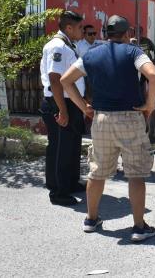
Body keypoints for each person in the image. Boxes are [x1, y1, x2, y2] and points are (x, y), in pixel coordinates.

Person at [60, 15, 155, 242]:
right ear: (126, 34)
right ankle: (138, 227)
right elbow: (153, 76)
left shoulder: (91, 54)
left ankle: (91, 220)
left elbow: (66, 80)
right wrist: (150, 105)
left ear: (106, 34)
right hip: (130, 118)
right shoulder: (134, 52)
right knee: (135, 174)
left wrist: (83, 106)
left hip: (101, 119)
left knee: (97, 172)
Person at [39, 11, 87, 206]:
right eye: (80, 28)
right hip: (60, 102)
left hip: (70, 102)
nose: (82, 31)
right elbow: (55, 79)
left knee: (72, 146)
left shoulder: (68, 45)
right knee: (60, 148)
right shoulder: (57, 46)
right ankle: (58, 192)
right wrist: (63, 110)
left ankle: (70, 182)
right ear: (69, 28)